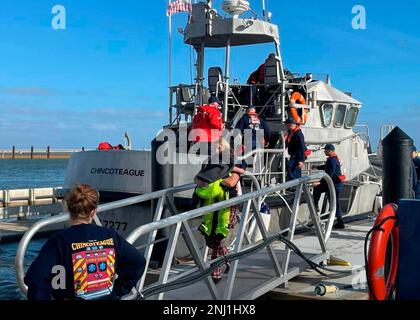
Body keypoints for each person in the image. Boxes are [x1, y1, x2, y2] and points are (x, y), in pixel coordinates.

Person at [24, 184, 146, 300]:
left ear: (68, 208)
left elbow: (36, 278)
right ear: (93, 211)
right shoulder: (110, 236)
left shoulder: (59, 241)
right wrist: (117, 291)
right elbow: (138, 262)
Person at [193, 139, 244, 283]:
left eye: (220, 145)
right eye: (215, 145)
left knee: (219, 239)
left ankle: (215, 274)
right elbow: (197, 179)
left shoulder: (233, 161)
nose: (217, 148)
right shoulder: (210, 163)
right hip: (212, 204)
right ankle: (230, 260)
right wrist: (206, 180)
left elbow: (231, 182)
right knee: (211, 239)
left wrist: (213, 180)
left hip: (229, 204)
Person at [313, 144, 346, 230]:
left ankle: (340, 222)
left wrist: (319, 182)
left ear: (330, 151)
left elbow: (329, 175)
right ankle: (339, 221)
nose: (324, 151)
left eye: (326, 150)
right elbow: (327, 168)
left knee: (334, 202)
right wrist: (317, 167)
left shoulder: (332, 160)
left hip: (335, 184)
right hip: (335, 183)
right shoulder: (333, 159)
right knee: (333, 202)